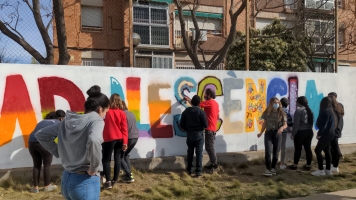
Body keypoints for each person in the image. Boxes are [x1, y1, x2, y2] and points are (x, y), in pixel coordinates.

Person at [36, 85, 110, 200]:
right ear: (100, 109)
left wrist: (59, 151)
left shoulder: (68, 121)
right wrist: (94, 168)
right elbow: (94, 140)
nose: (105, 115)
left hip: (66, 180)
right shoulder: (96, 120)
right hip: (85, 181)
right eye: (106, 112)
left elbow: (41, 134)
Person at [28, 110, 65, 193]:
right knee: (47, 165)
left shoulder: (43, 122)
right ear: (62, 118)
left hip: (31, 142)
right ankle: (47, 186)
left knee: (36, 165)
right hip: (43, 143)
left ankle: (35, 188)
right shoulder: (59, 123)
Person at [185, 88, 220, 170]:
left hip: (209, 128)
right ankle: (213, 163)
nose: (204, 96)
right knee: (210, 146)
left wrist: (187, 99)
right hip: (213, 128)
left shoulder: (209, 102)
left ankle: (214, 165)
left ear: (209, 95)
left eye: (206, 94)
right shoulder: (216, 103)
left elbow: (196, 105)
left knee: (209, 147)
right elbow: (218, 116)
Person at [102, 93, 128, 189]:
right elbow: (124, 128)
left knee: (106, 159)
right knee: (117, 158)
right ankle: (115, 180)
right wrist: (125, 142)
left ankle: (108, 181)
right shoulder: (122, 113)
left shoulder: (106, 112)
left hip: (108, 138)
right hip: (120, 138)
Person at [257, 97, 287, 176]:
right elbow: (264, 123)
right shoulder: (267, 112)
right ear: (271, 104)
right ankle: (268, 169)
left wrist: (282, 128)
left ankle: (273, 168)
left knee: (276, 152)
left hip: (277, 133)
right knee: (268, 152)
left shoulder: (282, 113)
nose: (276, 104)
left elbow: (285, 124)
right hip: (268, 133)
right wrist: (261, 133)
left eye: (277, 103)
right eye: (274, 103)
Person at [180, 95, 208, 176]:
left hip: (190, 134)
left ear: (191, 102)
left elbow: (182, 124)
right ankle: (198, 171)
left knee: (190, 152)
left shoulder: (185, 112)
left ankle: (189, 170)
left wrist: (187, 129)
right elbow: (205, 125)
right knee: (199, 153)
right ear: (199, 103)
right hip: (199, 134)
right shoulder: (201, 112)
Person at [311, 96, 336, 176]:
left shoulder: (325, 111)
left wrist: (319, 134)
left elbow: (324, 125)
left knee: (317, 150)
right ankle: (328, 170)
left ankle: (321, 170)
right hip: (331, 133)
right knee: (327, 150)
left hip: (326, 134)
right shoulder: (331, 111)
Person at [288, 96, 314, 170]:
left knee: (298, 149)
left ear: (299, 102)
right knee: (308, 149)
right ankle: (308, 165)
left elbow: (296, 124)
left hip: (300, 132)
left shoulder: (299, 111)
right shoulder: (310, 110)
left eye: (297, 101)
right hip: (309, 131)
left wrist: (293, 134)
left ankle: (295, 165)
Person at [120, 101, 139, 183]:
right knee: (126, 155)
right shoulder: (131, 113)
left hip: (128, 137)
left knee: (120, 157)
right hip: (135, 136)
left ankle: (129, 175)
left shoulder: (122, 114)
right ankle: (128, 173)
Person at [328, 92, 344, 173]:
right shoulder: (336, 106)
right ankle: (333, 163)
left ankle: (335, 165)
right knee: (332, 148)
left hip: (335, 130)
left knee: (335, 148)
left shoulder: (337, 106)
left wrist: (337, 130)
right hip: (335, 130)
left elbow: (338, 120)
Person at [279, 98, 293, 170]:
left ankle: (273, 161)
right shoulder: (287, 111)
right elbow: (290, 123)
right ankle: (282, 163)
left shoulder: (276, 110)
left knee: (276, 146)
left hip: (276, 130)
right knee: (283, 147)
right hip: (283, 131)